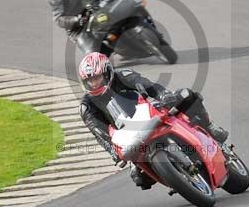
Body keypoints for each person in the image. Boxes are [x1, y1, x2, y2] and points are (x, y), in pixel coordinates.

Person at [77, 52, 229, 189]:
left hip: (149, 112)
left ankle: (209, 126)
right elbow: (98, 131)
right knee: (139, 178)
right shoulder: (87, 106)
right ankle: (178, 178)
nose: (95, 83)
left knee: (187, 96)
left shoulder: (123, 75)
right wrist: (112, 149)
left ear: (107, 72)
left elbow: (149, 86)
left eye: (97, 78)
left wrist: (164, 95)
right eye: (90, 81)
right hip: (128, 135)